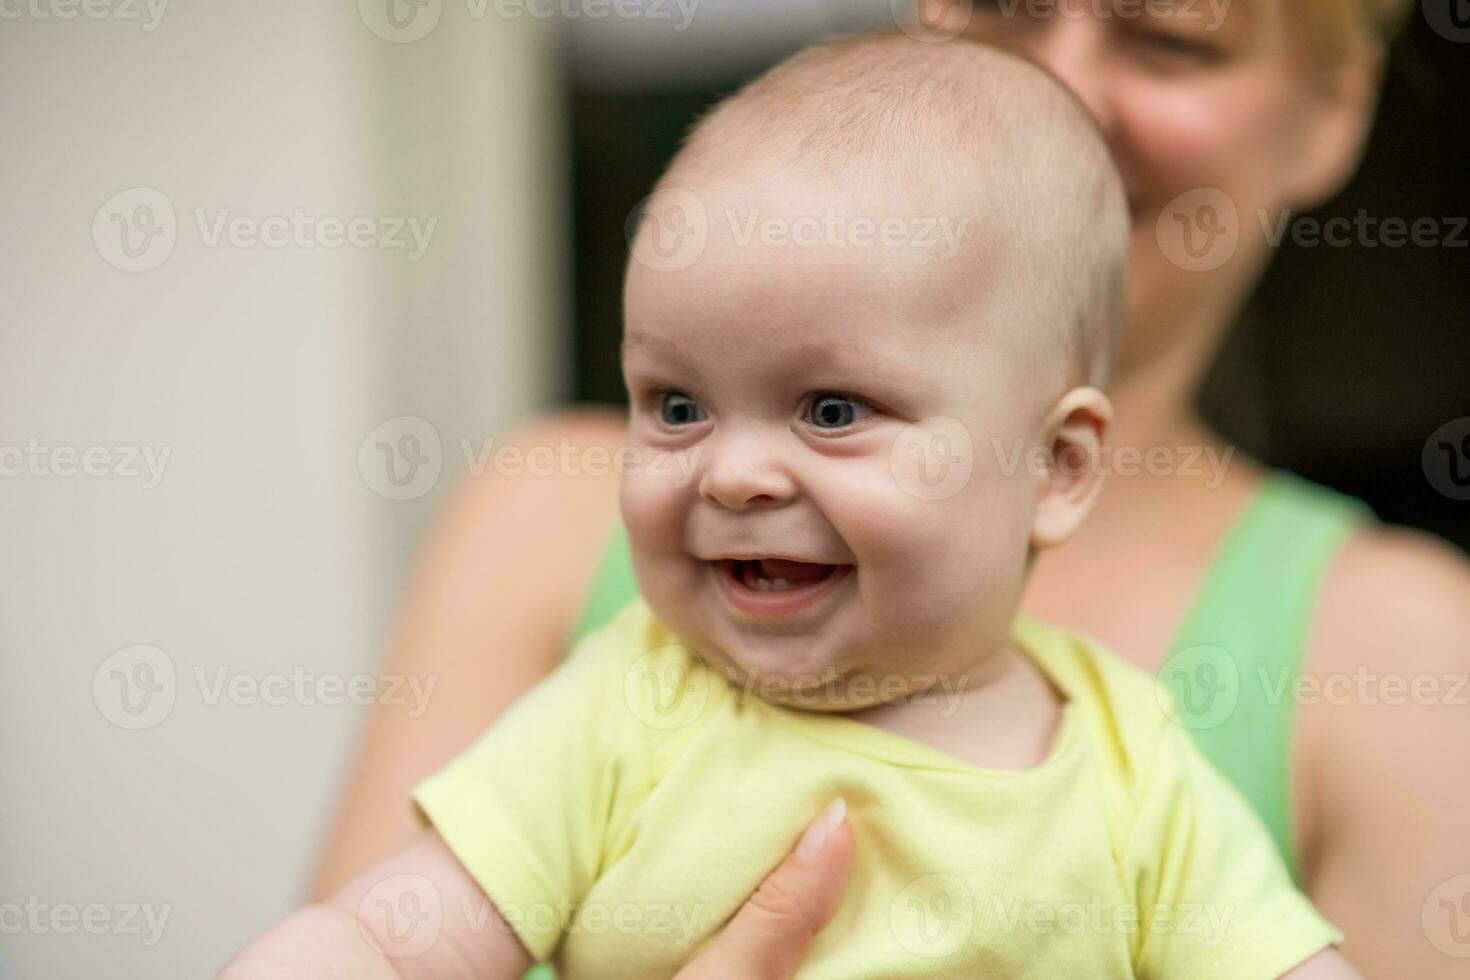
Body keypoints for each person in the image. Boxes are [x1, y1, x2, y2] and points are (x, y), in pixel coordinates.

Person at [311, 2, 1470, 977]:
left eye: (1169, 35)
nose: (738, 469)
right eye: (675, 405)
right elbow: (383, 935)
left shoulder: (1130, 763)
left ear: (1059, 466)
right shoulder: (625, 694)